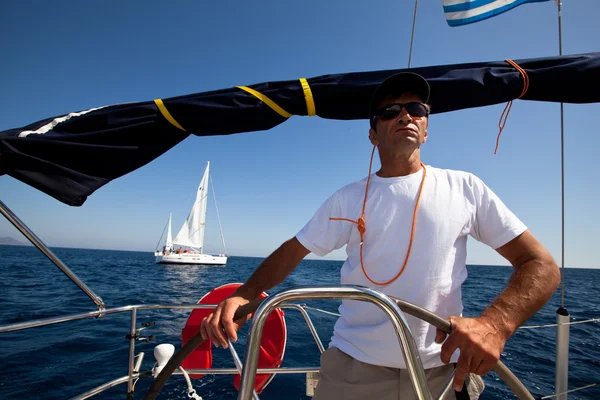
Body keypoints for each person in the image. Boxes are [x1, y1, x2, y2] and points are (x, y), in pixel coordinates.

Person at [200, 72, 560, 399]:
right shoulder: (347, 197)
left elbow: (541, 265)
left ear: (427, 127)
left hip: (441, 374)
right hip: (354, 370)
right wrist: (245, 295)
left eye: (416, 108)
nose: (405, 115)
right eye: (389, 111)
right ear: (372, 134)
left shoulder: (466, 188)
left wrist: (495, 324)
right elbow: (294, 250)